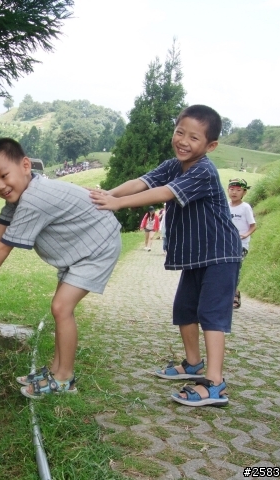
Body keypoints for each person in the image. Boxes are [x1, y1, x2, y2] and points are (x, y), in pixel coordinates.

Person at [90, 105, 241, 407]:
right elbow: (143, 182)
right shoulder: (174, 164)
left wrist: (117, 205)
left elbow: (164, 194)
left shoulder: (203, 170)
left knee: (211, 315)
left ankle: (214, 382)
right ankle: (193, 364)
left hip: (221, 254)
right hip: (196, 256)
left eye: (193, 138)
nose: (183, 141)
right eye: (179, 132)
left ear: (210, 146)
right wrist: (107, 195)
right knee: (185, 310)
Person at [0, 138, 122, 399]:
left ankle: (64, 378)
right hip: (81, 249)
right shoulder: (22, 194)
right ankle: (56, 369)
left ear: (26, 166)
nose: (0, 186)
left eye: (4, 175)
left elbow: (3, 248)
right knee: (61, 309)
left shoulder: (34, 199)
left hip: (98, 246)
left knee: (61, 308)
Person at [227, 178, 256, 309]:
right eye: (232, 189)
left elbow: (253, 226)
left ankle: (234, 294)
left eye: (238, 190)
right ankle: (228, 294)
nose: (234, 192)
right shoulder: (225, 205)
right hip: (226, 243)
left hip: (241, 245)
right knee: (224, 270)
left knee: (235, 269)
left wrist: (245, 235)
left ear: (244, 192)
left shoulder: (245, 208)